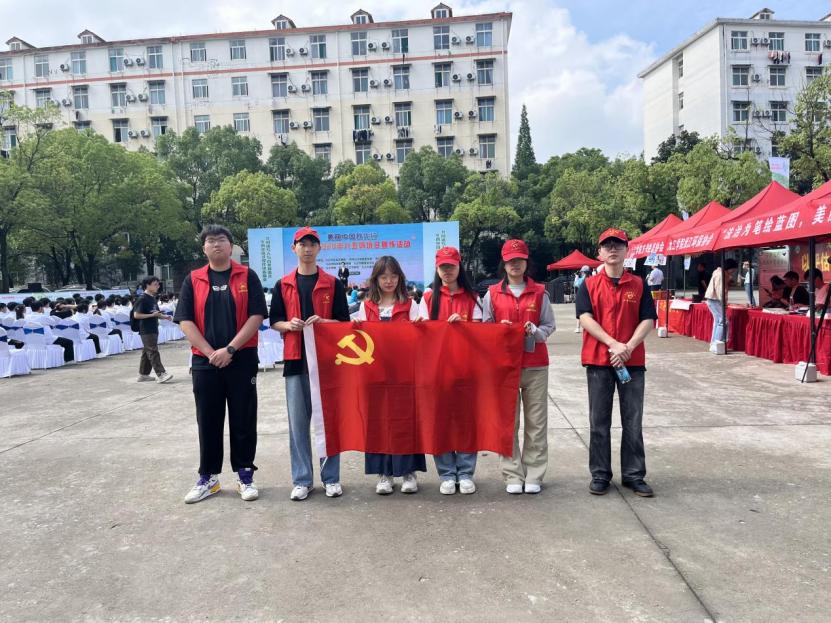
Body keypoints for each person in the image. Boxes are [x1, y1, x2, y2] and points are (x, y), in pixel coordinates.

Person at [175, 225, 268, 504]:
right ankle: (208, 477)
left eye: (222, 240)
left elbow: (256, 316)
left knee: (243, 418)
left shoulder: (247, 276)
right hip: (205, 363)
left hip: (241, 359)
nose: (216, 244)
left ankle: (245, 475)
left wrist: (230, 349)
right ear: (204, 248)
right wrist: (209, 352)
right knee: (208, 420)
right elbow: (185, 320)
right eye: (211, 241)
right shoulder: (193, 279)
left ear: (231, 246)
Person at [270, 226, 350, 501]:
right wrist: (288, 325)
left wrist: (325, 322)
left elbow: (344, 322)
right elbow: (274, 321)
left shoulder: (333, 283)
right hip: (295, 360)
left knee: (328, 422)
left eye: (312, 244)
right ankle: (302, 479)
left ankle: (331, 478)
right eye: (302, 244)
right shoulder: (283, 284)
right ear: (294, 248)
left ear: (319, 248)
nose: (307, 248)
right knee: (298, 424)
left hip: (326, 362)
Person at [576, 228, 657, 497]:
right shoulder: (588, 285)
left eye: (618, 245)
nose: (613, 249)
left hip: (631, 362)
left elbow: (648, 319)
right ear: (599, 252)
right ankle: (600, 474)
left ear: (627, 250)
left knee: (633, 421)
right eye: (607, 245)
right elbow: (585, 318)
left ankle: (634, 475)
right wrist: (613, 344)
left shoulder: (639, 284)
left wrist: (629, 347)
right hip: (599, 361)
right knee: (599, 422)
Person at [482, 239, 555, 495]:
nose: (515, 265)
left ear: (526, 262)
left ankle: (534, 473)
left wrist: (535, 331)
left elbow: (549, 326)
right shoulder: (492, 294)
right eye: (510, 261)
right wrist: (498, 331)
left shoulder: (540, 292)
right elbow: (485, 328)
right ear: (503, 263)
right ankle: (512, 473)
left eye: (520, 260)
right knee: (507, 423)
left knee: (536, 423)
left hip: (535, 365)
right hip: (504, 367)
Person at [352, 256, 424, 495]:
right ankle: (384, 474)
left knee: (406, 421)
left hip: (404, 374)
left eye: (393, 276)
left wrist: (420, 327)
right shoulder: (366, 306)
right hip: (375, 374)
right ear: (376, 279)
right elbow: (360, 341)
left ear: (400, 278)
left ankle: (408, 472)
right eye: (384, 276)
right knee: (378, 422)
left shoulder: (410, 305)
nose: (389, 281)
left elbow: (421, 338)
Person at [418, 246, 482, 495]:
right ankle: (446, 473)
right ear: (437, 269)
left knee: (466, 421)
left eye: (451, 267)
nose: (447, 271)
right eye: (443, 267)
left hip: (466, 369)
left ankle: (465, 472)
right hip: (437, 370)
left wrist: (463, 326)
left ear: (459, 267)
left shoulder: (472, 297)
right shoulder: (427, 298)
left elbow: (482, 333)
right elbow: (422, 336)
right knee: (440, 421)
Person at [132, 276, 173, 383]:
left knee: (147, 351)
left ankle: (143, 375)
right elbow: (136, 315)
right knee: (153, 351)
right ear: (147, 285)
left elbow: (156, 314)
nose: (158, 286)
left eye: (158, 284)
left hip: (153, 327)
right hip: (146, 329)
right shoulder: (142, 298)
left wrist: (165, 317)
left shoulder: (152, 298)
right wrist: (152, 315)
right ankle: (161, 374)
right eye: (155, 284)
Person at [704, 258, 738, 352]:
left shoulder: (722, 274)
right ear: (729, 267)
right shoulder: (720, 275)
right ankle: (717, 343)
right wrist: (724, 303)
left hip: (714, 300)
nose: (733, 272)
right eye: (733, 269)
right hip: (715, 300)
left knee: (718, 321)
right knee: (722, 321)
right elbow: (721, 291)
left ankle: (715, 343)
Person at [573, 266, 589, 332]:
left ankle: (578, 327)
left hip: (582, 297)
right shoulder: (592, 278)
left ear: (583, 272)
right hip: (590, 297)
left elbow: (576, 284)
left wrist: (576, 277)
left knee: (580, 313)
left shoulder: (582, 279)